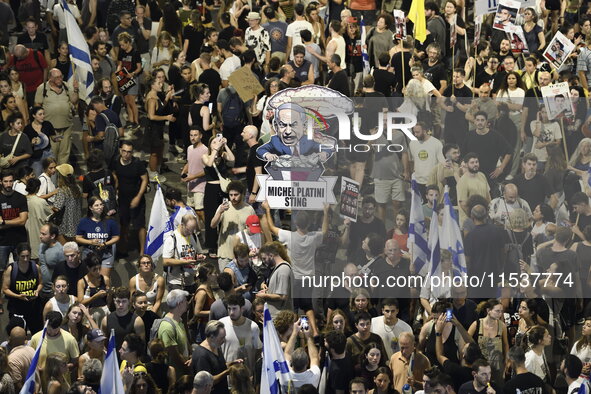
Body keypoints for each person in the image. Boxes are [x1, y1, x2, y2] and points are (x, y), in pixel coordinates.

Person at [34, 69, 78, 165]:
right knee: (52, 153)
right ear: (50, 78)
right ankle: (52, 175)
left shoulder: (66, 86)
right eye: (57, 77)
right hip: (51, 128)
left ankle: (61, 177)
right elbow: (37, 105)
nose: (60, 79)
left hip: (66, 126)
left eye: (61, 76)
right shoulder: (43, 88)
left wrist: (75, 89)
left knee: (64, 153)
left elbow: (74, 101)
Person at [111, 141, 148, 256]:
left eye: (129, 152)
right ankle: (122, 248)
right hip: (122, 199)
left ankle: (143, 251)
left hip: (137, 199)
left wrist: (138, 197)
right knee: (124, 224)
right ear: (120, 150)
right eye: (124, 151)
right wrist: (116, 185)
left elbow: (145, 180)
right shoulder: (116, 161)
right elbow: (113, 173)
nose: (126, 154)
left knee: (140, 225)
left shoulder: (137, 164)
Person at [0, 170, 28, 316]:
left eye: (11, 181)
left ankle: (19, 296)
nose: (9, 184)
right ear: (1, 182)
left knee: (21, 270)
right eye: (6, 181)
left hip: (19, 240)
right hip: (2, 241)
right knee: (0, 272)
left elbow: (23, 220)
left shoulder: (21, 198)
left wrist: (4, 222)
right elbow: (18, 221)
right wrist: (13, 222)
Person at [211, 180, 255, 271]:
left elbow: (254, 232)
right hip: (225, 253)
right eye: (231, 195)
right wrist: (220, 212)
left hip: (242, 255)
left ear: (242, 194)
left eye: (236, 195)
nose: (233, 198)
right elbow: (212, 225)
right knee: (226, 281)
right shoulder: (223, 207)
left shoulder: (249, 209)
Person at [191, 320, 243, 394]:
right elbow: (207, 381)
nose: (224, 341)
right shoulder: (201, 355)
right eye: (221, 338)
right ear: (212, 337)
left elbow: (217, 366)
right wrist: (227, 372)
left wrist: (231, 364)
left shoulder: (216, 346)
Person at [2, 243, 42, 333]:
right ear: (17, 255)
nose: (25, 259)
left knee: (37, 332)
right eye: (22, 256)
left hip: (34, 307)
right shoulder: (11, 269)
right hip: (17, 308)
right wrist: (18, 296)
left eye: (28, 256)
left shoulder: (35, 267)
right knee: (17, 333)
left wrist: (37, 291)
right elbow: (5, 289)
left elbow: (40, 283)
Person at [75, 196, 120, 278]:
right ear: (90, 208)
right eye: (96, 205)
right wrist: (91, 242)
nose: (100, 207)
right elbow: (78, 238)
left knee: (104, 279)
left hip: (106, 253)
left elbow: (116, 237)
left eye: (101, 205)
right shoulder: (84, 221)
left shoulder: (110, 221)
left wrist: (105, 244)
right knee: (90, 278)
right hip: (89, 254)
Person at [219, 294, 261, 376]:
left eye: (234, 309)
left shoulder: (253, 327)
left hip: (247, 377)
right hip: (227, 376)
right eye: (229, 309)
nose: (231, 312)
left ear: (242, 309)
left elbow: (258, 350)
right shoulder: (221, 324)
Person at [162, 213, 205, 292]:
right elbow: (165, 261)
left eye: (193, 230)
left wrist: (200, 257)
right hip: (176, 282)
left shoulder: (193, 236)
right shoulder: (172, 238)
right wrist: (184, 262)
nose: (190, 233)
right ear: (182, 225)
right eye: (188, 229)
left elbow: (198, 252)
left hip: (192, 281)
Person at [157, 289, 191, 377]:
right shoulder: (167, 327)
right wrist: (188, 366)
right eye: (185, 301)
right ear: (179, 304)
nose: (187, 303)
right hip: (176, 375)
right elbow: (174, 355)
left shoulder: (179, 320)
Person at [256, 242, 294, 318]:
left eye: (264, 258)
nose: (264, 262)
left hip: (280, 317)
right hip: (275, 315)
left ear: (271, 255)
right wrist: (267, 291)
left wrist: (264, 295)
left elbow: (282, 296)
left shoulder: (283, 269)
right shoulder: (277, 269)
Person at [76, 253, 110, 325]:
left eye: (99, 268)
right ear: (88, 268)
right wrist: (95, 296)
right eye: (94, 269)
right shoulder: (82, 282)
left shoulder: (105, 279)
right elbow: (81, 302)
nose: (98, 272)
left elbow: (108, 301)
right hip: (90, 313)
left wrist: (109, 294)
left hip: (104, 311)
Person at [52, 163, 82, 244]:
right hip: (76, 222)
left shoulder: (63, 190)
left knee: (65, 250)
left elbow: (57, 208)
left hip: (64, 224)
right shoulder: (78, 188)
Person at [23, 106, 54, 176]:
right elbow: (25, 145)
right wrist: (31, 143)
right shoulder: (27, 129)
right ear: (34, 115)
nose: (43, 116)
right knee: (37, 178)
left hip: (48, 153)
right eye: (40, 114)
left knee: (52, 176)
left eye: (43, 114)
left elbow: (53, 137)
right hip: (36, 156)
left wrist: (57, 138)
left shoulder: (47, 124)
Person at [38, 223, 64, 305]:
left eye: (43, 234)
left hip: (52, 292)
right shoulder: (41, 245)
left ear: (52, 236)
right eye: (40, 233)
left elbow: (63, 273)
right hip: (41, 289)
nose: (40, 236)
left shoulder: (60, 251)